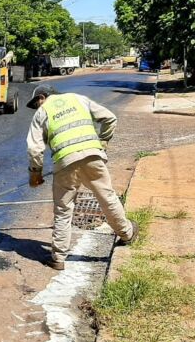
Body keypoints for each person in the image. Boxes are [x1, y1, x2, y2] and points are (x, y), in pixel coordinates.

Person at [25, 84, 138, 270]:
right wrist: (103, 141)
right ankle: (127, 233)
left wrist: (35, 173)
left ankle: (58, 258)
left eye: (36, 102)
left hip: (65, 162)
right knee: (107, 197)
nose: (37, 106)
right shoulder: (79, 99)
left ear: (42, 97)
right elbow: (110, 118)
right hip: (93, 156)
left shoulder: (42, 112)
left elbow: (35, 148)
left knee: (63, 208)